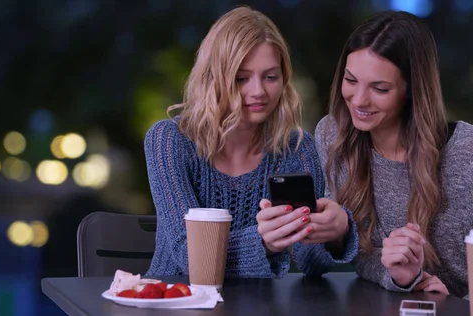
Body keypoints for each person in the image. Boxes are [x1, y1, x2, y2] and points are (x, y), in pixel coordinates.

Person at [314, 10, 473, 315]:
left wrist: (457, 306)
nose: (358, 100)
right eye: (350, 80)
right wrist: (405, 279)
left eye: (379, 88)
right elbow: (366, 253)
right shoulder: (334, 137)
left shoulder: (470, 149)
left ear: (411, 89)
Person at [144, 6, 357, 279]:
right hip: (175, 300)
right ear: (214, 77)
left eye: (270, 77)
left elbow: (310, 264)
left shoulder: (296, 148)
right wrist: (264, 241)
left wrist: (335, 233)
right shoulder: (169, 140)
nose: (258, 91)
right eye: (242, 78)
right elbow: (190, 256)